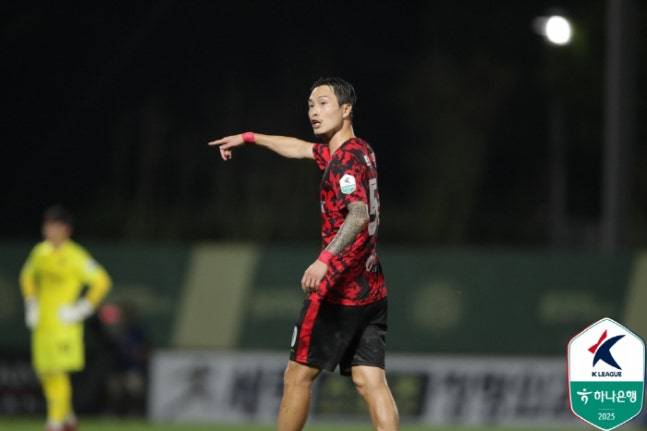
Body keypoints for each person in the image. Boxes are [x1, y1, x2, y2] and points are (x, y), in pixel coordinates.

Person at [209, 77, 399, 431]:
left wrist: (325, 259)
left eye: (323, 103)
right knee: (369, 380)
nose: (314, 111)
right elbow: (299, 148)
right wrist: (250, 138)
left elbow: (358, 214)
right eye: (311, 105)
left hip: (337, 291)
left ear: (346, 109)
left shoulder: (343, 163)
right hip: (371, 289)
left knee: (297, 376)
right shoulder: (360, 150)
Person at [20, 205, 112, 431]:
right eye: (47, 226)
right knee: (45, 373)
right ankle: (68, 419)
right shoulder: (40, 252)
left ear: (66, 230)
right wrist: (31, 303)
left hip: (65, 325)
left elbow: (102, 281)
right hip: (43, 324)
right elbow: (27, 276)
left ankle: (54, 424)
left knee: (57, 373)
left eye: (55, 226)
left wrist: (82, 308)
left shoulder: (76, 256)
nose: (49, 231)